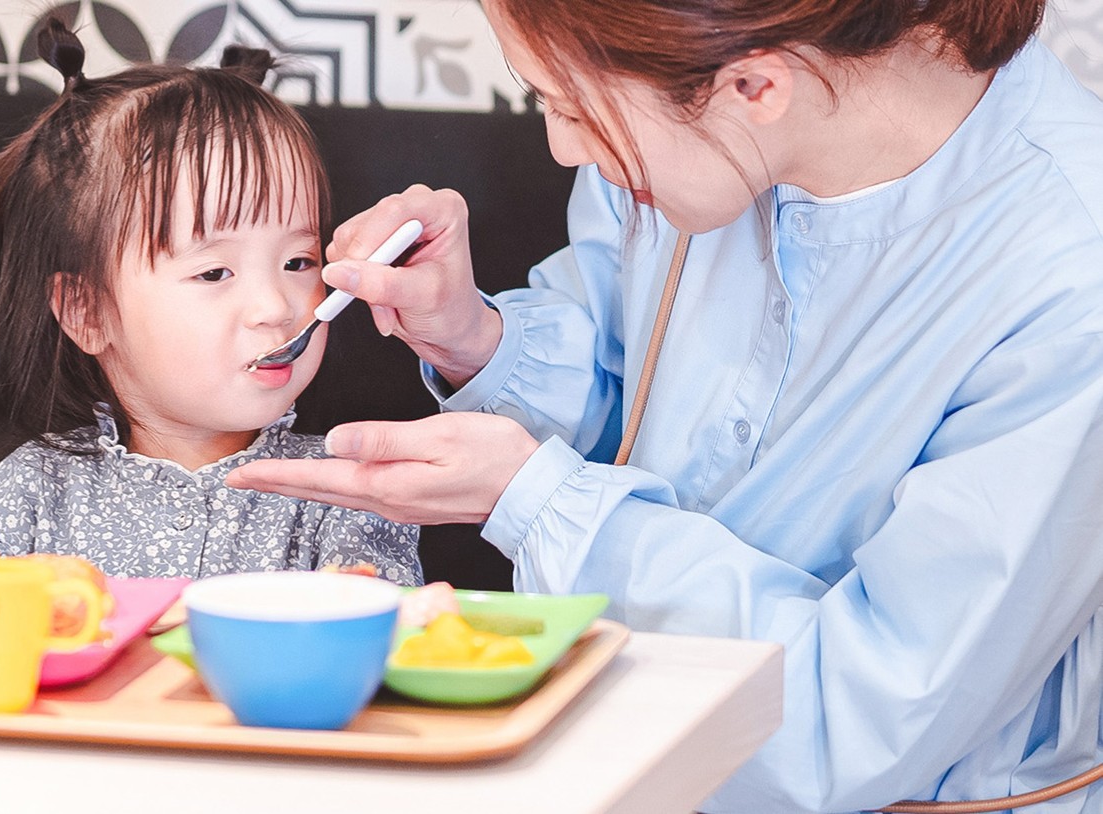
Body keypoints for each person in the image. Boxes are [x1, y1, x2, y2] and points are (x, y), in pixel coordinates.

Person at [225, 0, 1103, 809]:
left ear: (754, 87)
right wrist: (473, 337)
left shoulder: (1071, 279)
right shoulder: (683, 104)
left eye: (574, 107)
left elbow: (857, 715)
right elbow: (630, 395)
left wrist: (539, 502)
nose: (563, 148)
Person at [0, 21, 420, 587]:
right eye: (214, 272)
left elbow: (392, 612)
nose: (275, 307)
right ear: (87, 312)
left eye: (298, 262)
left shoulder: (347, 489)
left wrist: (365, 597)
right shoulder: (41, 486)